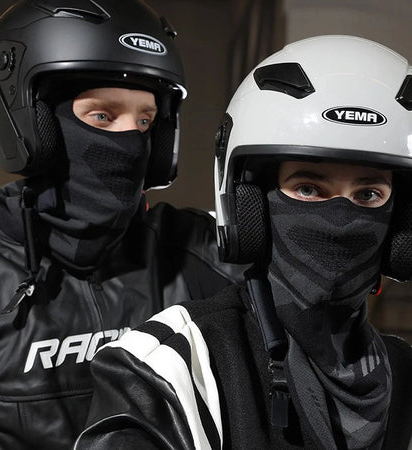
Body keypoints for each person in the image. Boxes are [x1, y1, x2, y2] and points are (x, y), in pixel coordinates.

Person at [74, 35, 412, 450]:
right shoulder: (170, 368)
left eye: (368, 195)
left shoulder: (403, 371)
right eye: (308, 189)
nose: (340, 220)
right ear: (251, 205)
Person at [0, 1, 245, 449]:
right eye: (102, 116)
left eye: (146, 121)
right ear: (33, 127)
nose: (131, 141)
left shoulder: (198, 253)